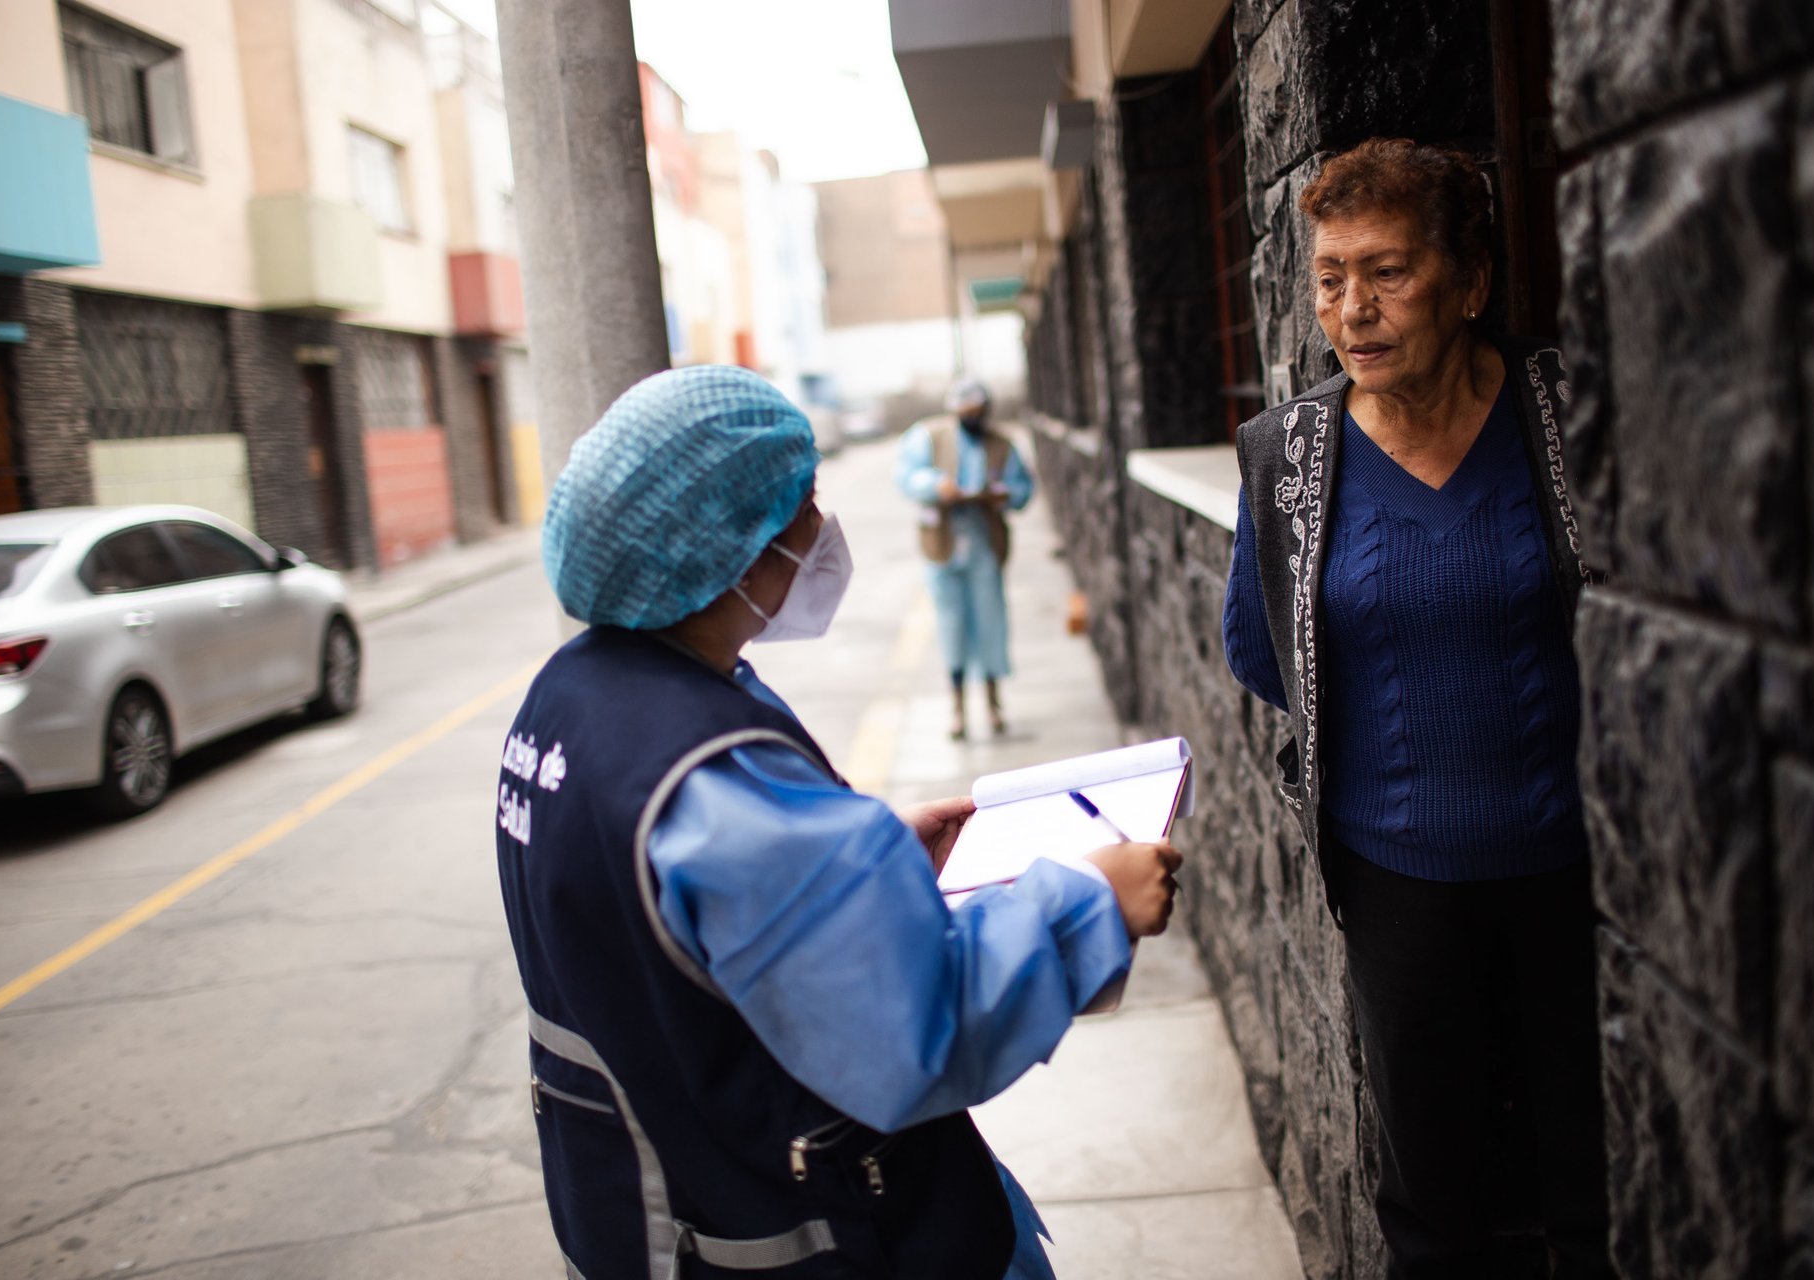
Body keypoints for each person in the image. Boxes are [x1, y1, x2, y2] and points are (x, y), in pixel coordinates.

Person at [497, 365, 1181, 1280]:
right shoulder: (712, 779)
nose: (820, 527)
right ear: (733, 550)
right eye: (802, 504)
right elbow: (918, 1033)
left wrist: (871, 868)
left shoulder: (573, 694)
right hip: (817, 1233)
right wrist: (1093, 900)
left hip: (651, 1204)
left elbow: (684, 928)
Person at [1221, 139, 1612, 1278]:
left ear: (1471, 281)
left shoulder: (1560, 412)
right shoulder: (1287, 455)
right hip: (1397, 879)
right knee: (1431, 1197)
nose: (1354, 307)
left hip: (1575, 866)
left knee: (1590, 1173)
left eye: (1387, 271)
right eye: (1332, 275)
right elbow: (1259, 650)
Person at [895, 379, 1034, 739]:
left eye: (978, 412)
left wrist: (1003, 494)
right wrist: (935, 485)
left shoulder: (1002, 446)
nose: (972, 418)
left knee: (991, 623)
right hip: (942, 546)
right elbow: (907, 476)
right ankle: (957, 707)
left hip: (985, 545)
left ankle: (993, 704)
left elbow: (1023, 489)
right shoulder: (928, 437)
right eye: (965, 413)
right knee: (950, 625)